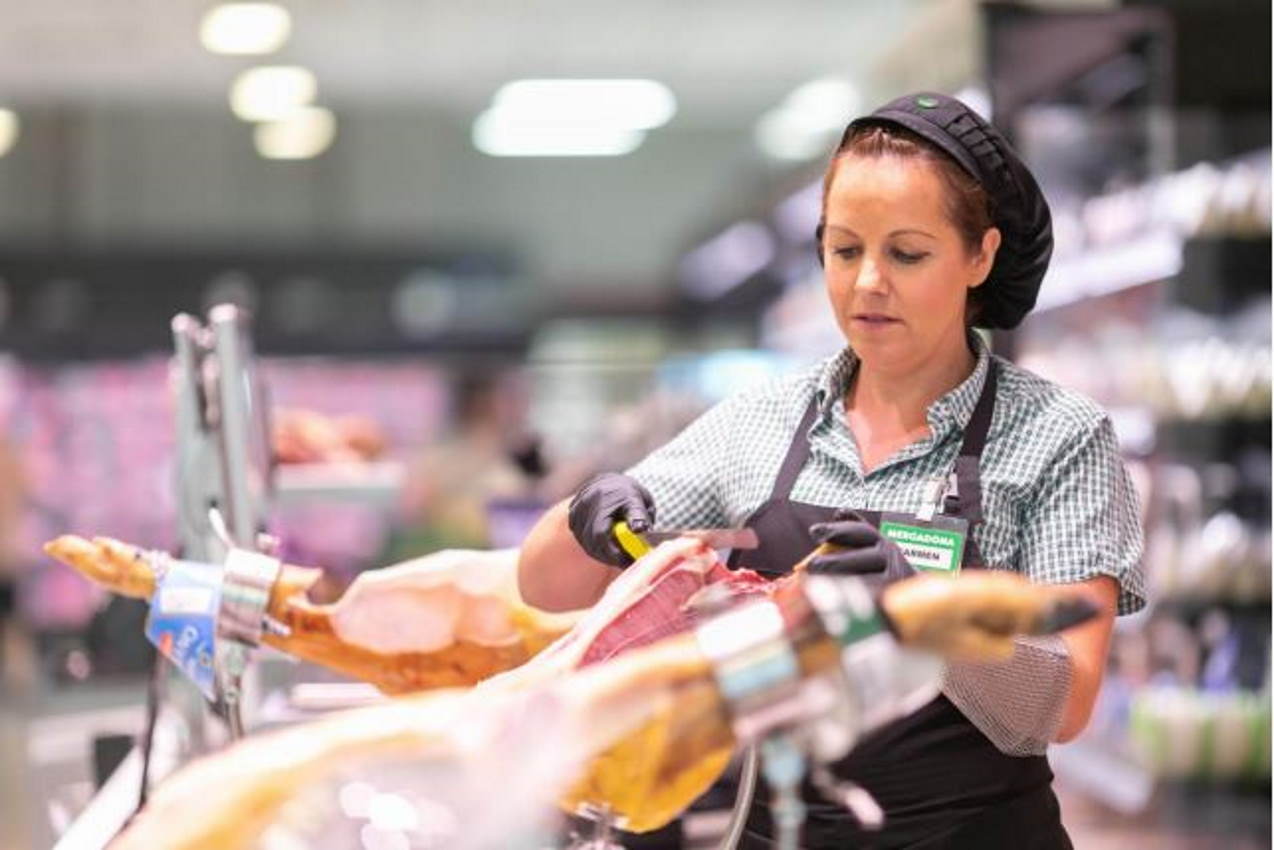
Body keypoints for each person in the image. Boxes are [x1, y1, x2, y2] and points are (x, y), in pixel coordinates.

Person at [518, 92, 1145, 849]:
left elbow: (1066, 701)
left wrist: (919, 610)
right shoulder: (762, 422)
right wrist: (589, 515)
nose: (868, 282)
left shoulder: (1058, 437)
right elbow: (542, 586)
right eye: (845, 250)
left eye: (906, 254)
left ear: (981, 254)